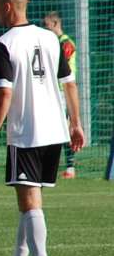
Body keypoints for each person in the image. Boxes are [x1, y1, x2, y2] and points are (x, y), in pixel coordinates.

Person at [0, 0, 84, 256]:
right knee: (30, 201)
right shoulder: (51, 38)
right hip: (54, 131)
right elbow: (69, 84)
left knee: (30, 204)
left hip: (27, 133)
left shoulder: (4, 43)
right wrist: (76, 123)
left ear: (6, 8)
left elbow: (5, 93)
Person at [42, 11, 80, 179]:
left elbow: (59, 65)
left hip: (62, 92)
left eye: (47, 25)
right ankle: (52, 164)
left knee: (64, 128)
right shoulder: (52, 42)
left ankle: (70, 167)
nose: (45, 28)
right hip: (51, 91)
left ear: (56, 24)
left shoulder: (65, 43)